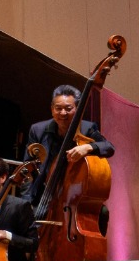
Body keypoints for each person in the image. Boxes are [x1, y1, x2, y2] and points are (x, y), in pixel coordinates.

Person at [26, 82, 114, 222]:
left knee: (101, 213)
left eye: (68, 108)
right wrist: (26, 202)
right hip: (42, 195)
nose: (62, 113)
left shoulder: (87, 129)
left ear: (77, 109)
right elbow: (28, 168)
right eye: (58, 108)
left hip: (72, 199)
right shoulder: (38, 130)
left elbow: (108, 147)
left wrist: (88, 147)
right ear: (51, 109)